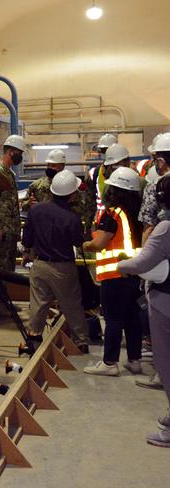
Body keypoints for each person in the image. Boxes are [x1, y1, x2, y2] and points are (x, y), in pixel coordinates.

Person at [117, 174, 170, 447]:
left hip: (165, 302)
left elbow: (143, 263)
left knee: (166, 363)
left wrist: (121, 265)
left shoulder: (165, 228)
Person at [82, 166, 144, 376]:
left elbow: (99, 243)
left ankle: (109, 363)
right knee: (132, 318)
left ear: (114, 191)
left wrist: (86, 245)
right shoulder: (138, 212)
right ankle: (135, 360)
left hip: (114, 274)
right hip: (134, 273)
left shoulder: (112, 214)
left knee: (113, 319)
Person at [21, 170, 89, 352]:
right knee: (71, 304)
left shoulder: (36, 210)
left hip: (40, 264)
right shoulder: (71, 217)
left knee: (38, 304)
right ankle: (80, 342)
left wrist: (27, 251)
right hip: (63, 268)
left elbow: (27, 236)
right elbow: (77, 241)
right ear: (72, 194)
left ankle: (33, 339)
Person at [135, 133, 170, 389]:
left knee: (158, 319)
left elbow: (148, 226)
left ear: (160, 159)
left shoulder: (156, 185)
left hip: (162, 260)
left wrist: (143, 264)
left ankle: (162, 374)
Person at [0, 135, 25, 273]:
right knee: (1, 269)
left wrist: (16, 230)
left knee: (9, 268)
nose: (20, 156)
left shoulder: (9, 173)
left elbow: (10, 202)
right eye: (19, 153)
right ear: (11, 151)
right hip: (1, 232)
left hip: (9, 231)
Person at [87, 142, 132, 217]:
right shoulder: (96, 173)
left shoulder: (133, 176)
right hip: (104, 217)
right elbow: (90, 202)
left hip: (125, 217)